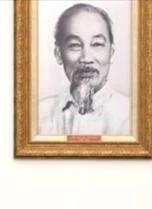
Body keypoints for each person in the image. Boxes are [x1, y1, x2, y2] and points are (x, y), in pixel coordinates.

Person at [38, 3, 130, 136]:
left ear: (111, 52)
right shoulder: (39, 115)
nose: (86, 58)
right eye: (75, 45)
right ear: (59, 54)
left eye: (97, 44)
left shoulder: (132, 116)